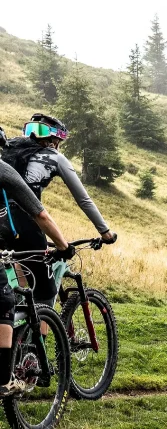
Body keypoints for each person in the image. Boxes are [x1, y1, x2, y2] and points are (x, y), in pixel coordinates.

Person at [0, 114, 117, 308]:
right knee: (45, 294)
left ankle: (19, 329)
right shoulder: (55, 157)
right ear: (55, 139)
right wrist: (106, 233)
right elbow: (84, 200)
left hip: (3, 222)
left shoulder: (10, 149)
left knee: (21, 282)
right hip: (26, 222)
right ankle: (41, 336)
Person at [0, 155, 73, 395]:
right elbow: (41, 215)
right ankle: (4, 379)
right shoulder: (4, 170)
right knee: (5, 302)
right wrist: (64, 247)